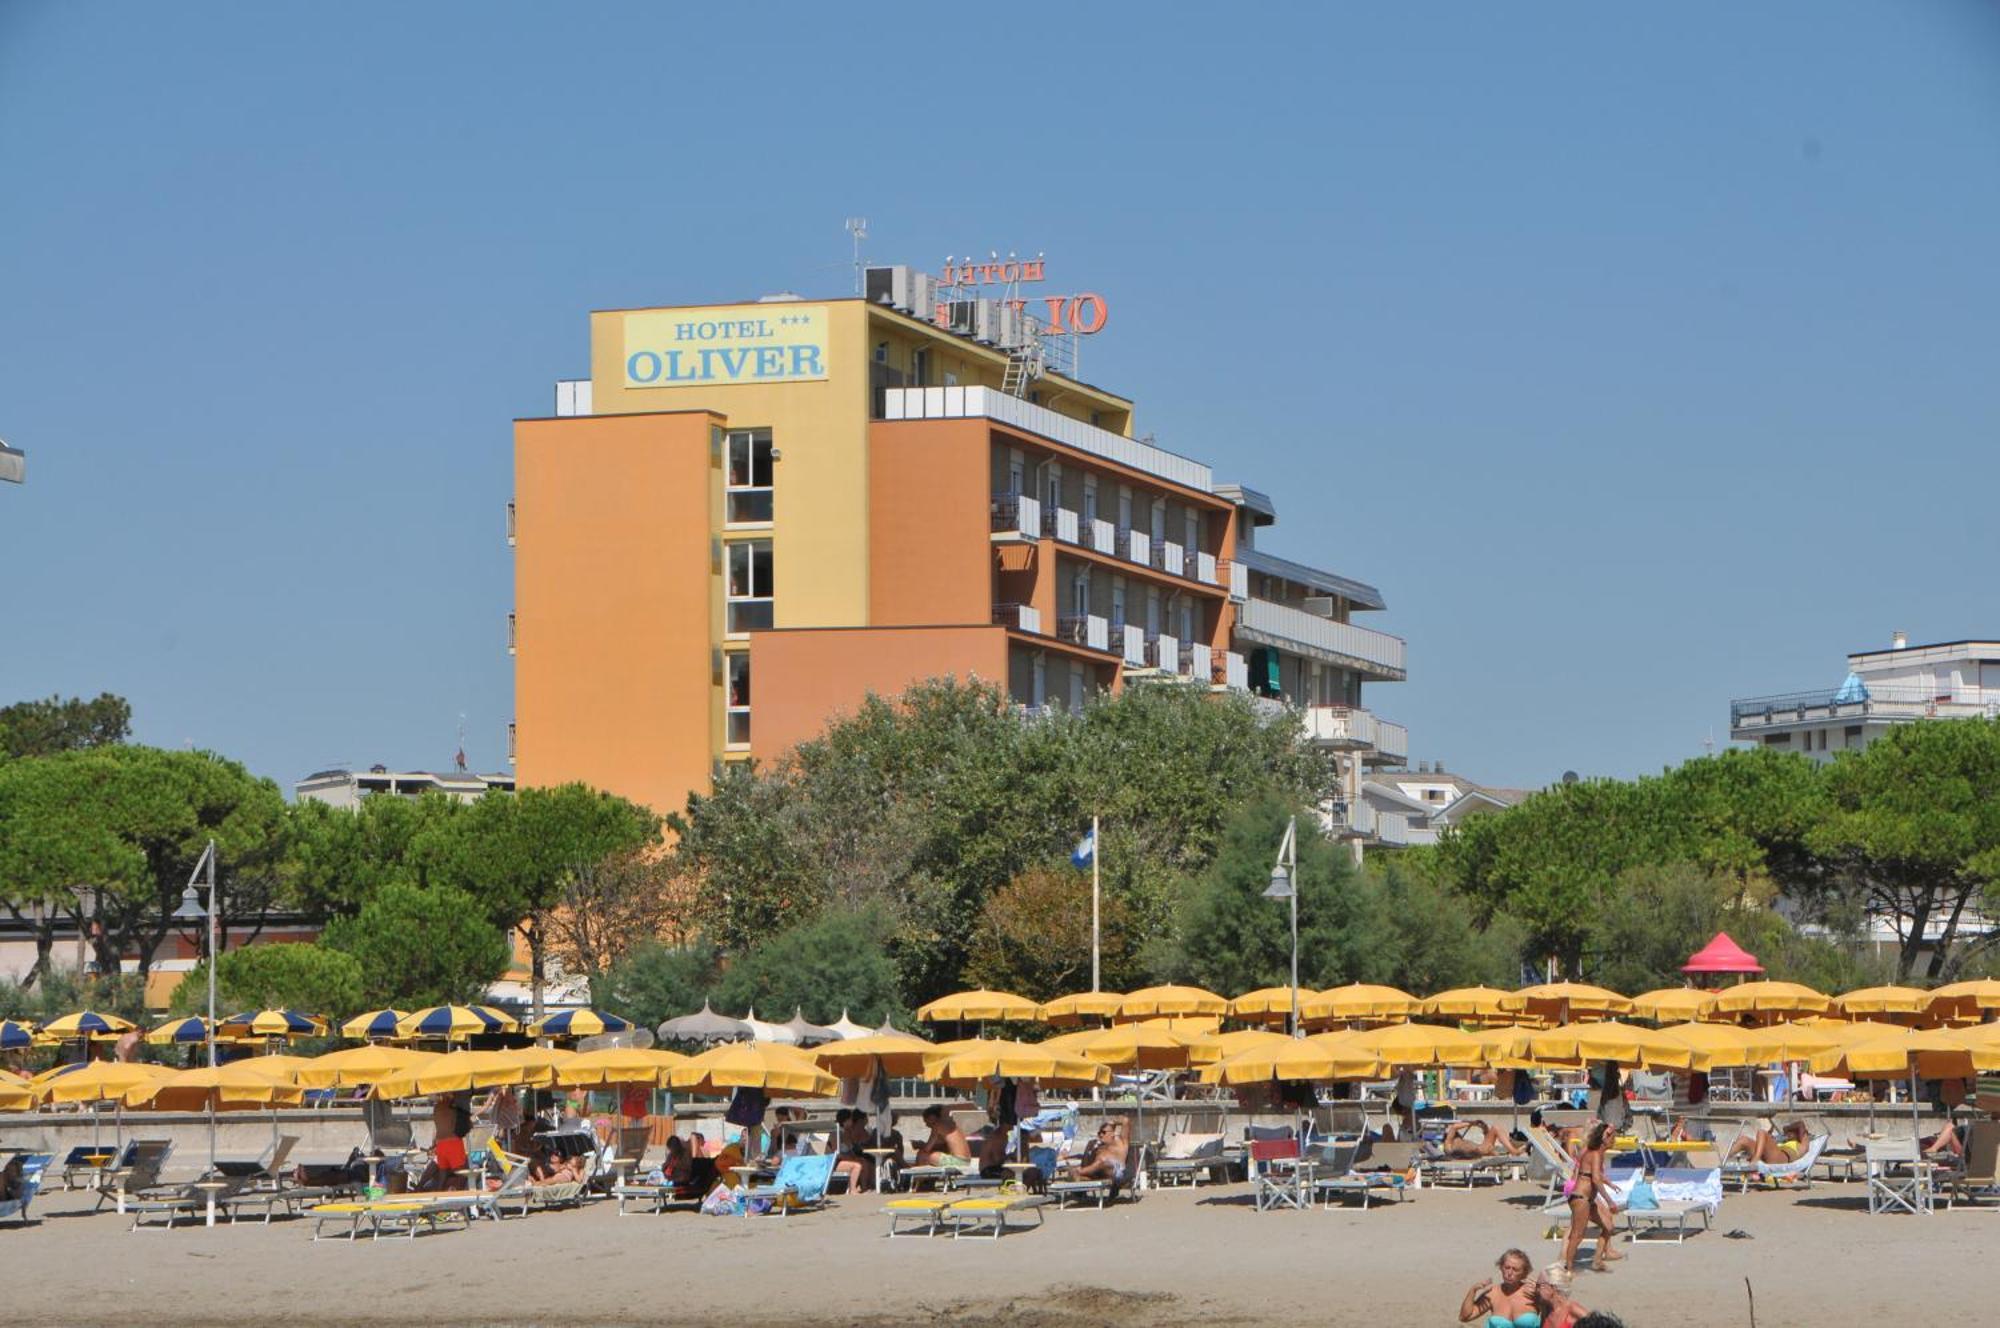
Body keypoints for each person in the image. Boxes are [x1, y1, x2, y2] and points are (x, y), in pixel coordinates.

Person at [1557, 1122, 1623, 1276]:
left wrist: (1610, 1184)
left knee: (1608, 1227)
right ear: (1604, 1138)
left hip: (1586, 1199)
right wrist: (1609, 1201)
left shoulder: (1595, 1153)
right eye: (1612, 1138)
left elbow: (1593, 1174)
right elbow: (1595, 1179)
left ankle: (1597, 1261)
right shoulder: (1594, 1153)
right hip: (1581, 1198)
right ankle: (1569, 1268)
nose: (1614, 1141)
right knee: (1577, 1234)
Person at [1458, 1248, 1582, 1327]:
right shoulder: (1493, 1293)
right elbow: (1465, 1317)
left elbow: (1557, 1312)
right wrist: (1472, 1291)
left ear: (1524, 1273)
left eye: (1515, 1269)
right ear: (1501, 1267)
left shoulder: (1531, 1292)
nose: (1509, 1272)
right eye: (1506, 1267)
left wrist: (1540, 1297)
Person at [1727, 1117, 1810, 1165]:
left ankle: (1755, 1161)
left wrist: (1786, 1128)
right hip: (1770, 1156)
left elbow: (1800, 1124)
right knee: (1744, 1140)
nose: (1788, 1135)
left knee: (1761, 1132)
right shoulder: (1784, 1142)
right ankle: (1722, 1160)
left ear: (1798, 1134)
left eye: (1791, 1133)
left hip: (1781, 1158)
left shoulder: (1802, 1145)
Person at [914, 1105, 971, 1169]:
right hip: (966, 1160)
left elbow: (927, 1149)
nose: (926, 1125)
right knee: (930, 1154)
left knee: (922, 1155)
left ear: (931, 1117)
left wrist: (919, 1145)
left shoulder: (937, 1125)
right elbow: (939, 1146)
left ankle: (919, 1178)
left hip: (958, 1161)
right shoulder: (951, 1124)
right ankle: (927, 1177)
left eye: (926, 1121)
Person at [1443, 1120, 1527, 1159]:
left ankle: (1512, 1145)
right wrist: (1472, 1123)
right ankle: (1514, 1150)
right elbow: (1454, 1127)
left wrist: (1483, 1128)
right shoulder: (1448, 1144)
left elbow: (1454, 1128)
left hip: (1483, 1149)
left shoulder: (1458, 1141)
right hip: (1480, 1150)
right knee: (1496, 1128)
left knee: (1495, 1129)